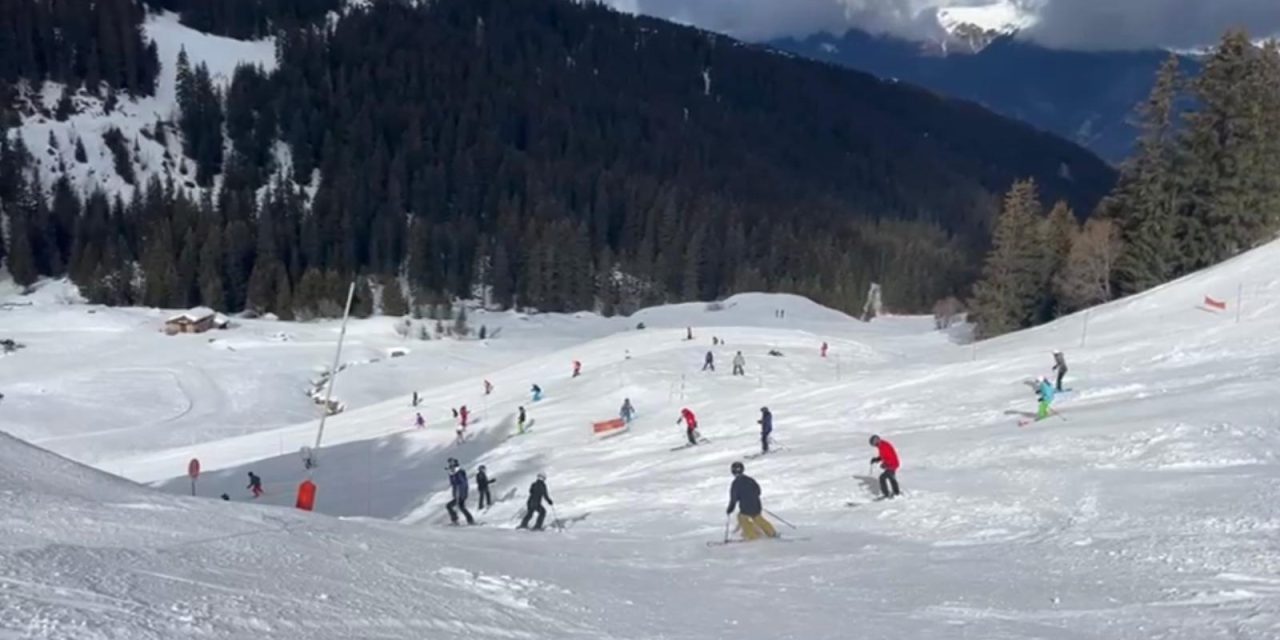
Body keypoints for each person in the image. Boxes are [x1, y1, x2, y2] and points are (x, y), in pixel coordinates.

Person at [726, 461, 777, 540]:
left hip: (746, 509)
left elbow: (734, 499)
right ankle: (771, 532)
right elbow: (758, 491)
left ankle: (751, 535)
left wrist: (730, 509)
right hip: (757, 506)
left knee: (742, 518)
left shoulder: (735, 483)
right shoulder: (751, 480)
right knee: (758, 518)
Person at [446, 458, 476, 525]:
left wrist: (461, 495)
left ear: (455, 463)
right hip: (457, 494)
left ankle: (456, 520)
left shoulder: (459, 472)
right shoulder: (452, 473)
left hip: (461, 493)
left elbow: (463, 483)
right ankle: (469, 520)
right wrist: (454, 494)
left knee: (450, 506)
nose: (450, 464)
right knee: (460, 507)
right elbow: (453, 484)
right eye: (449, 463)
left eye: (451, 462)